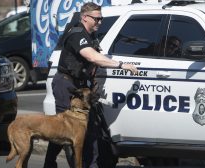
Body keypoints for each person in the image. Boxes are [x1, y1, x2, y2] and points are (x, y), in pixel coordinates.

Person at [43, 2, 138, 168]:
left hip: (81, 88)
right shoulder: (77, 34)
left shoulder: (91, 35)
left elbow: (94, 62)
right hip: (66, 85)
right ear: (85, 17)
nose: (100, 22)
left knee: (91, 130)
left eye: (101, 19)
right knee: (65, 131)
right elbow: (92, 57)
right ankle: (51, 163)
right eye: (97, 19)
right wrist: (122, 65)